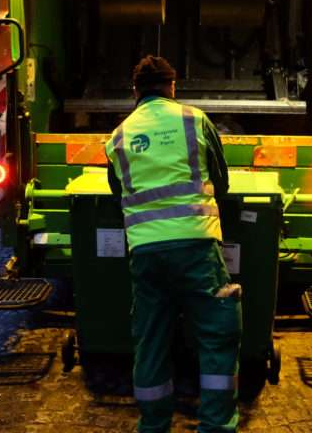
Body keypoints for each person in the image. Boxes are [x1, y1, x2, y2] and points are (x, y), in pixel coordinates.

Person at [105, 55, 241, 432]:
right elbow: (222, 181)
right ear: (173, 87)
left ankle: (153, 425)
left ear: (135, 92)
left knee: (150, 340)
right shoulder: (194, 120)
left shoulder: (117, 136)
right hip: (196, 246)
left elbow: (119, 193)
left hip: (145, 254)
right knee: (217, 333)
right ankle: (214, 426)